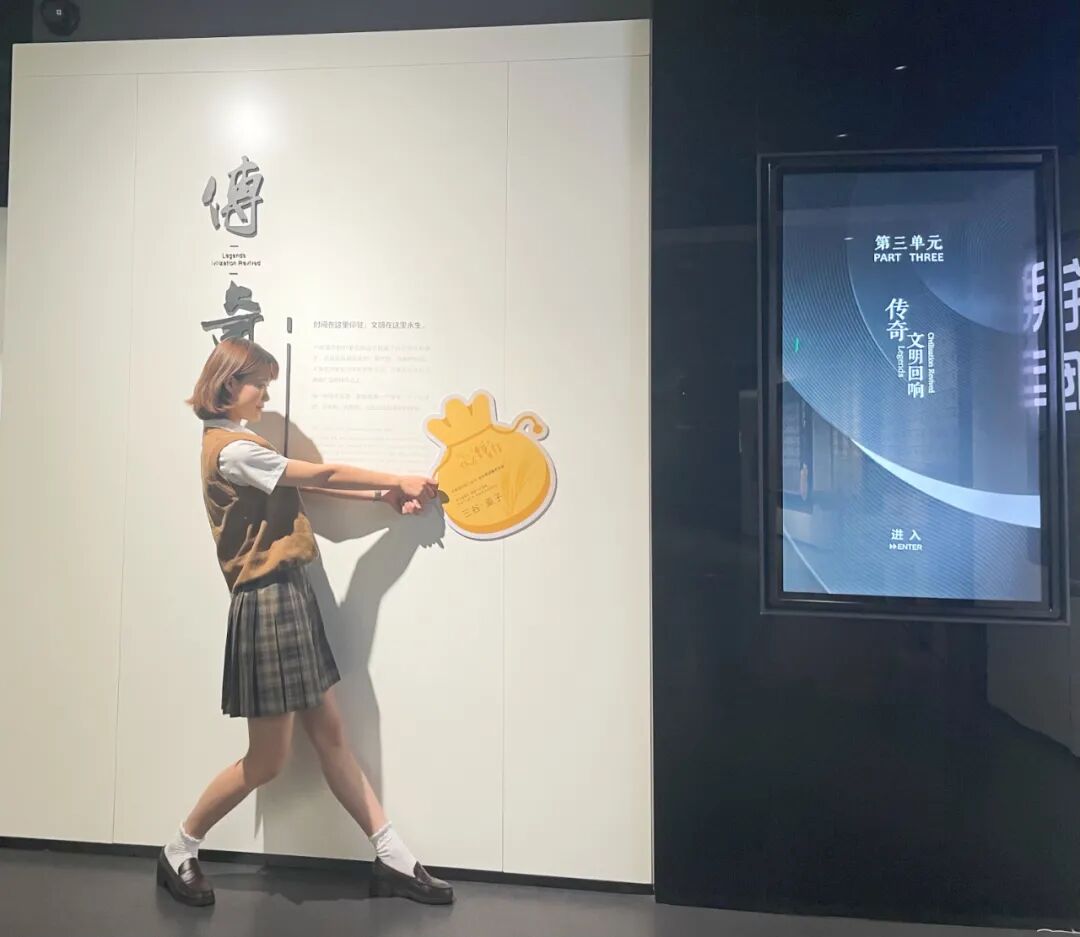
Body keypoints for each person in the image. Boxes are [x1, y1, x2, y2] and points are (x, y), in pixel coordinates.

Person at [155, 336, 453, 908]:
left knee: (331, 736)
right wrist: (399, 480)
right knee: (267, 761)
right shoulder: (232, 450)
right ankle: (178, 849)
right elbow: (326, 473)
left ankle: (392, 856)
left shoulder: (242, 443)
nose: (267, 395)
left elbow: (306, 487)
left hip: (289, 596)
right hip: (267, 602)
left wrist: (384, 496)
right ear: (229, 385)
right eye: (260, 384)